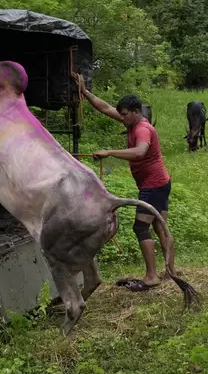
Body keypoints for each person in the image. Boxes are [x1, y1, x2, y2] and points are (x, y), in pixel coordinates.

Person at [72, 74, 174, 292]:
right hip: (160, 182)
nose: (122, 118)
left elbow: (140, 152)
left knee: (140, 227)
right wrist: (85, 92)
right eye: (122, 114)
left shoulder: (142, 129)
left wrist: (109, 152)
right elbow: (106, 108)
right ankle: (171, 271)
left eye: (125, 114)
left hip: (153, 184)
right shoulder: (131, 122)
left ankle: (151, 277)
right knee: (159, 226)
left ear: (136, 112)